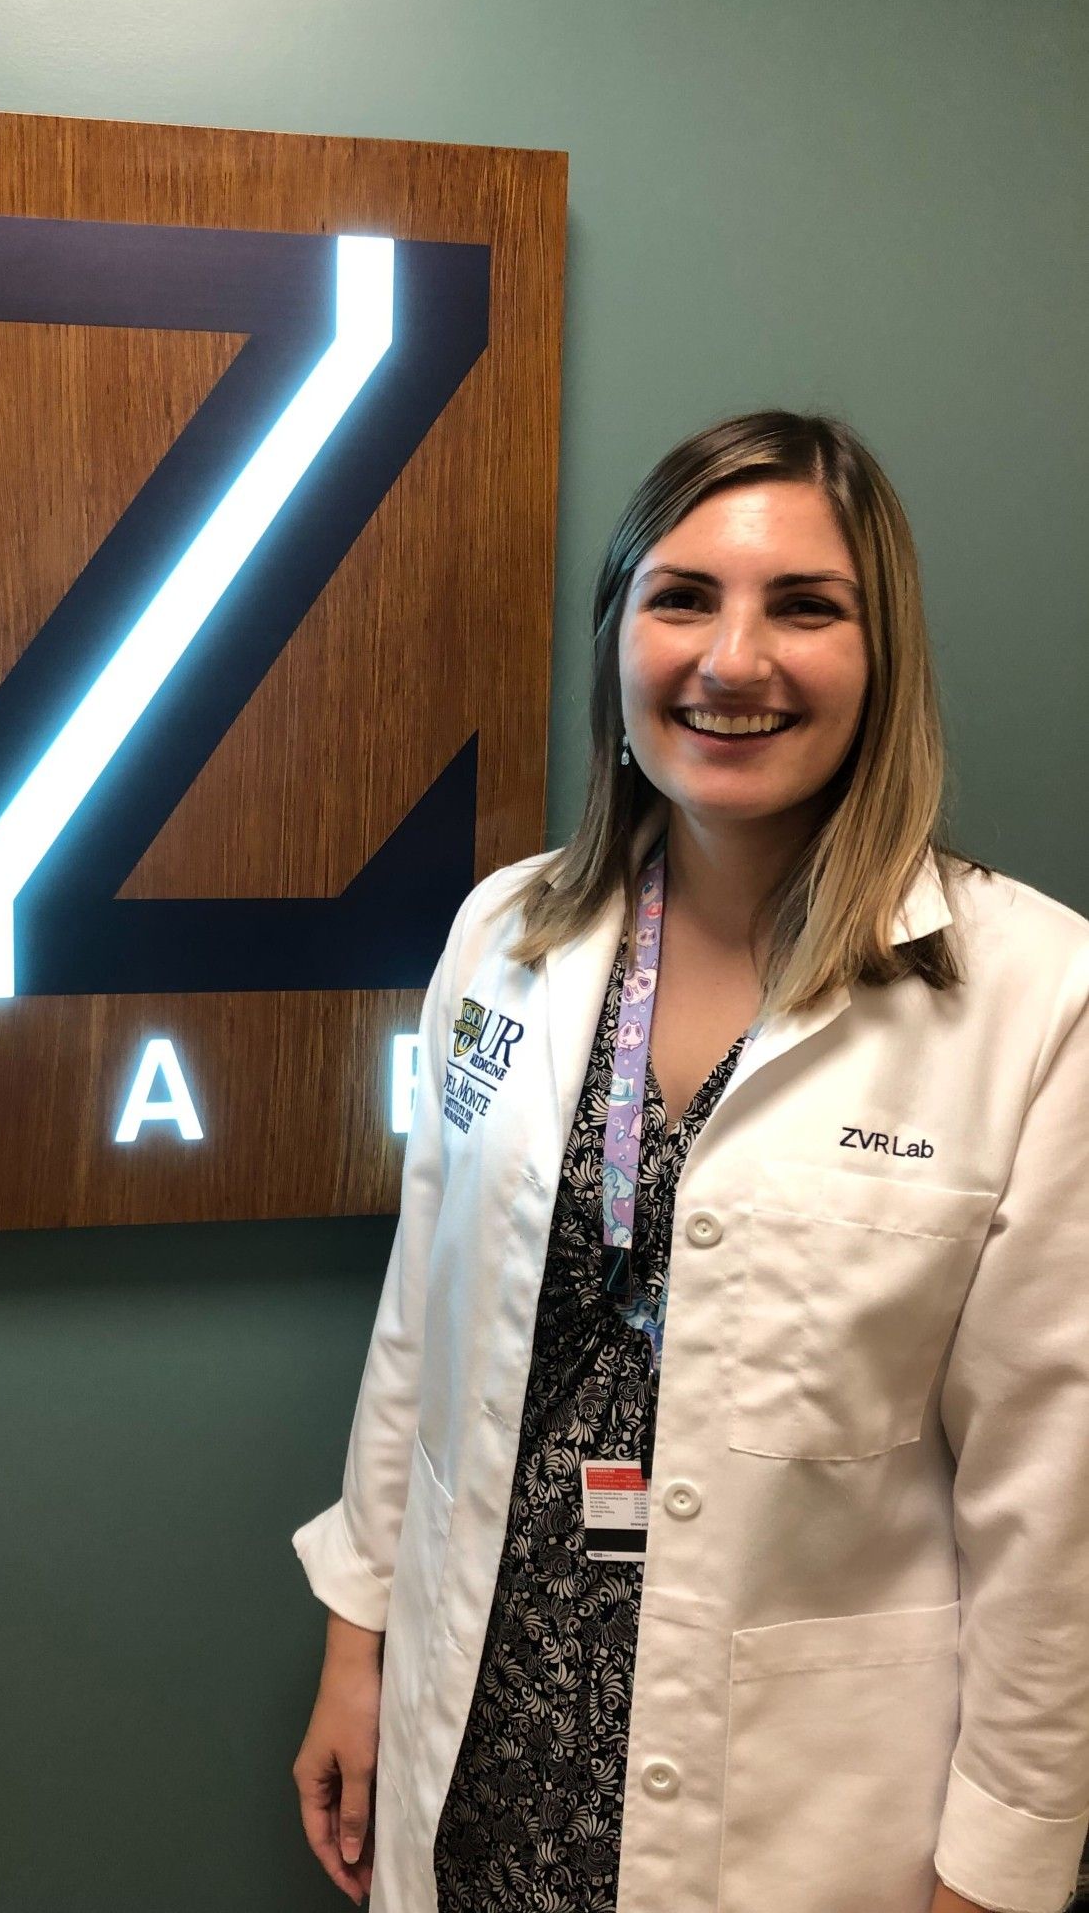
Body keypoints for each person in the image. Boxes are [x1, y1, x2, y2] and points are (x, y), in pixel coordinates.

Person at [290, 409, 1089, 1913]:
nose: (734, 661)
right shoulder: (506, 936)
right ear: (619, 636)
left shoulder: (1040, 1000)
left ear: (883, 656)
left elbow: (1056, 1504)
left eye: (806, 606)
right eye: (683, 598)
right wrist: (357, 1642)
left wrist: (1003, 1867)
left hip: (801, 1809)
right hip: (484, 1726)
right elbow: (422, 1330)